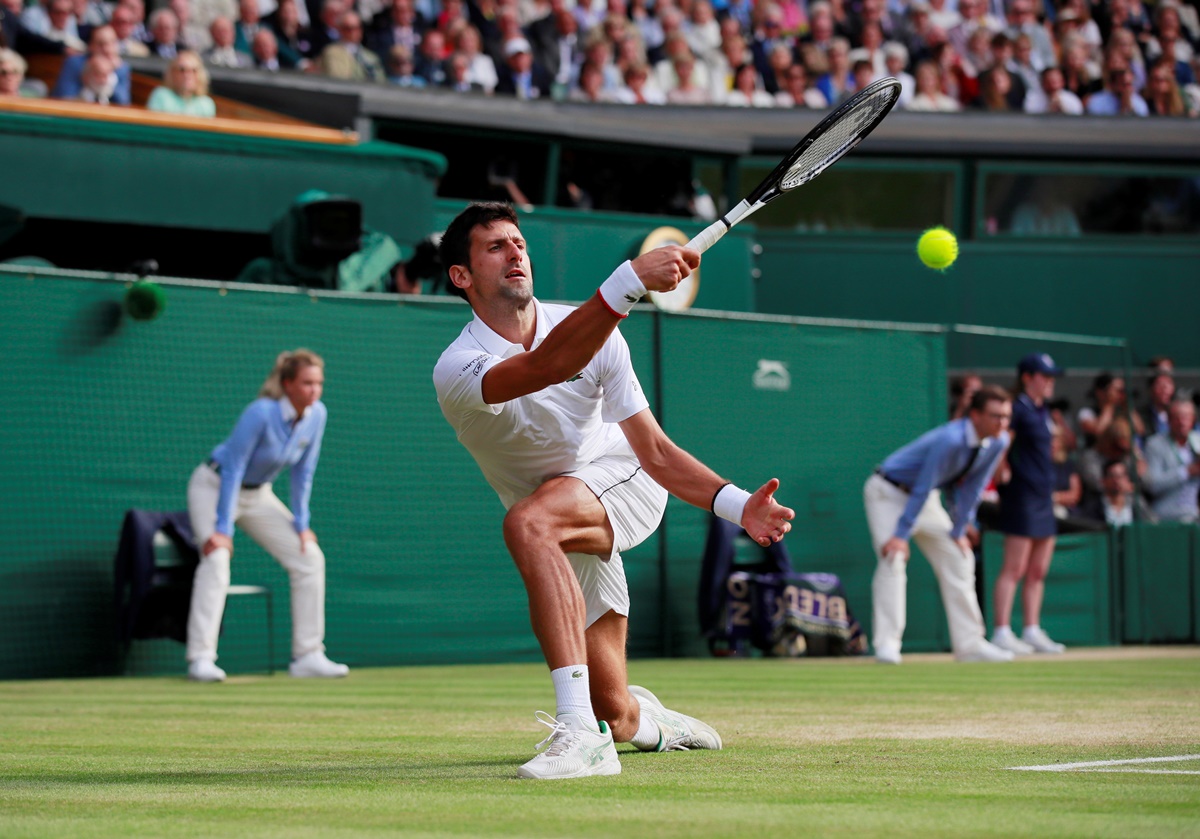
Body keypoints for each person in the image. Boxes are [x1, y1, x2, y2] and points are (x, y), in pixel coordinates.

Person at [432, 202, 794, 779]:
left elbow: (655, 452)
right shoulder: (458, 367)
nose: (515, 253)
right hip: (560, 515)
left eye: (519, 243)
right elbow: (546, 366)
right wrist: (627, 282)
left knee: (528, 522)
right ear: (462, 276)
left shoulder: (597, 335)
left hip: (621, 478)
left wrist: (736, 505)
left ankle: (578, 737)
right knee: (616, 711)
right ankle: (650, 726)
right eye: (495, 246)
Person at [186, 349, 350, 682]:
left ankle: (307, 655)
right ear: (287, 384)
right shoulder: (260, 412)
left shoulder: (318, 414)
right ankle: (200, 659)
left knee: (309, 557)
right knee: (217, 558)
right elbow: (234, 467)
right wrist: (222, 529)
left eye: (319, 383)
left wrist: (302, 525)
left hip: (259, 494)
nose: (314, 390)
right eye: (306, 383)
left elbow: (304, 472)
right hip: (214, 486)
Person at [864, 384, 1016, 666]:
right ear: (975, 415)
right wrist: (900, 535)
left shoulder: (999, 441)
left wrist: (960, 528)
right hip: (887, 493)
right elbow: (924, 484)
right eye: (996, 416)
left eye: (1006, 417)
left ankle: (970, 645)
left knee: (960, 555)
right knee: (893, 557)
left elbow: (974, 486)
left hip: (926, 500)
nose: (1002, 423)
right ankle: (887, 646)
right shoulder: (951, 439)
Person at [991, 352, 1067, 656]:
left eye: (1051, 377)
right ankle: (1001, 631)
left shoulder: (1043, 410)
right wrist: (1000, 472)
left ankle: (1032, 630)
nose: (1050, 382)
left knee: (1037, 570)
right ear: (1026, 378)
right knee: (1015, 567)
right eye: (1044, 376)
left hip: (1043, 496)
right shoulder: (1019, 409)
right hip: (1021, 496)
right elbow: (1001, 444)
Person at [1143, 397, 1200, 523]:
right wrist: (1186, 472)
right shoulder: (1154, 444)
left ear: (1193, 419)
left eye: (1186, 417)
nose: (1182, 422)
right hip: (1166, 516)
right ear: (1168, 420)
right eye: (1177, 417)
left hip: (1195, 514)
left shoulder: (1197, 441)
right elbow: (1153, 485)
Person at [1078, 458, 1151, 527]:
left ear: (1127, 479)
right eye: (1112, 476)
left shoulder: (1137, 504)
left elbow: (1151, 523)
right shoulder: (1093, 508)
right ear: (1103, 481)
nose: (1116, 481)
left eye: (1121, 476)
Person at [147, 50, 217, 116]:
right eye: (182, 70)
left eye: (193, 70)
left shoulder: (206, 103)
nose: (187, 75)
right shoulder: (161, 96)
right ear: (172, 73)